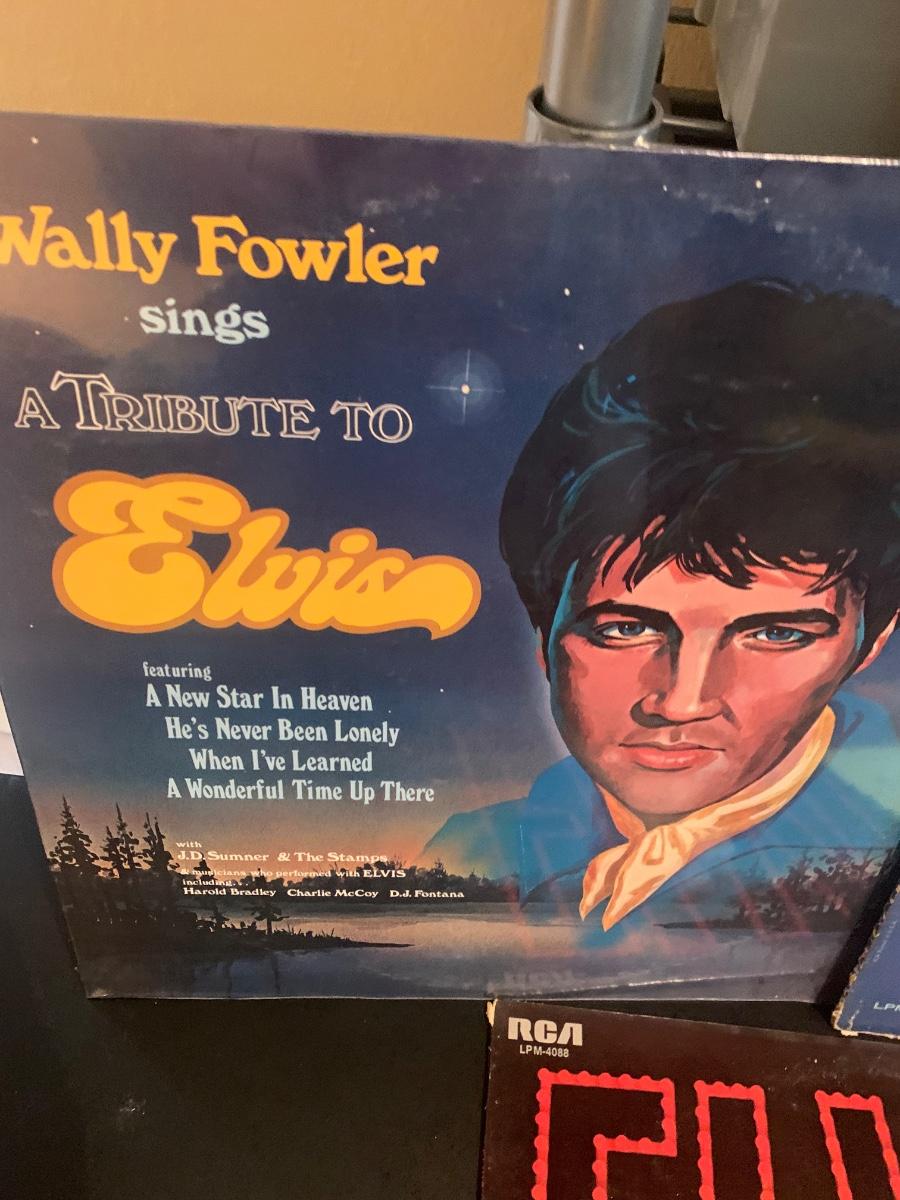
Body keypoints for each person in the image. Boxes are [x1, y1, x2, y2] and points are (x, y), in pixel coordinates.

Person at [423, 280, 900, 937]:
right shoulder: (472, 849)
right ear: (544, 633)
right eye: (625, 628)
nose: (680, 702)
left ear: (870, 642)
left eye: (775, 634)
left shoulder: (866, 863)